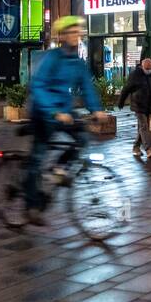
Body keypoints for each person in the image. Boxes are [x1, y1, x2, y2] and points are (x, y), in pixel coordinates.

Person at [26, 16, 108, 225]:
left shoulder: (77, 62)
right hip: (43, 111)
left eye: (78, 31)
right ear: (62, 36)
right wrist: (54, 112)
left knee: (82, 138)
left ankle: (58, 168)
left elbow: (87, 87)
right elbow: (38, 86)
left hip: (65, 110)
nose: (76, 35)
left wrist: (97, 110)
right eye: (71, 32)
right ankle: (32, 206)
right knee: (37, 157)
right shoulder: (52, 58)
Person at [117, 57, 151, 158]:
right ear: (142, 66)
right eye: (147, 68)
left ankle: (136, 147)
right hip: (139, 105)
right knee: (144, 127)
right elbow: (126, 89)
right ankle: (149, 149)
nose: (148, 70)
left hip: (150, 106)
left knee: (142, 128)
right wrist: (121, 102)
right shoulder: (135, 75)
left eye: (150, 68)